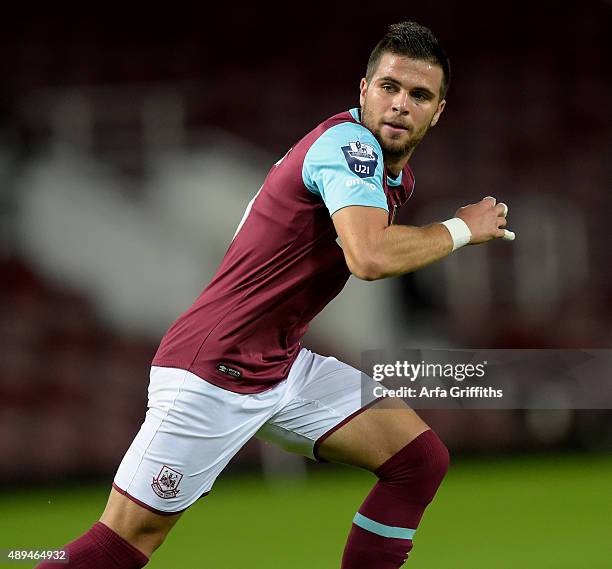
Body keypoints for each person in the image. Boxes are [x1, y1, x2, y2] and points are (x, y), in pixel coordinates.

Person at [37, 21, 514, 569]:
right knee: (119, 545)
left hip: (279, 367)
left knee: (418, 458)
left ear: (438, 110)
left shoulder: (391, 176)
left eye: (419, 95)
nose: (401, 104)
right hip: (215, 370)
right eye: (389, 87)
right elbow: (369, 258)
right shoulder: (351, 147)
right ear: (363, 91)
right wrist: (461, 229)